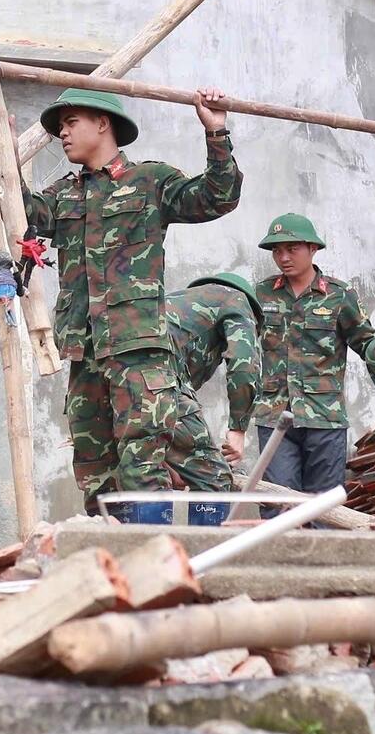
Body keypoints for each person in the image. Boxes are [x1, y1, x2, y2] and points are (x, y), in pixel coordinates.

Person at [22, 86, 240, 522]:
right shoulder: (64, 194)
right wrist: (3, 158)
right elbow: (21, 212)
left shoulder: (149, 181)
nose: (62, 134)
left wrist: (216, 133)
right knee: (95, 473)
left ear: (102, 123)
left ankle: (172, 570)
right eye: (60, 127)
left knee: (144, 468)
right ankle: (118, 572)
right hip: (85, 354)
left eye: (71, 123)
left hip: (138, 352)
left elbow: (218, 196)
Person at [252, 213, 375, 509]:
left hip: (324, 419)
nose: (283, 257)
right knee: (278, 506)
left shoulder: (338, 295)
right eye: (277, 250)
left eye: (292, 249)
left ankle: (322, 556)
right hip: (274, 414)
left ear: (312, 249)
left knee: (323, 510)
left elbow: (368, 341)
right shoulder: (260, 294)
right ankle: (280, 557)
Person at [163, 273, 263, 526]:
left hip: (100, 377)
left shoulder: (178, 309)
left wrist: (174, 458)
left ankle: (132, 562)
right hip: (156, 373)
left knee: (138, 474)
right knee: (213, 476)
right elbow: (244, 365)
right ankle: (205, 562)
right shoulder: (236, 300)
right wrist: (238, 429)